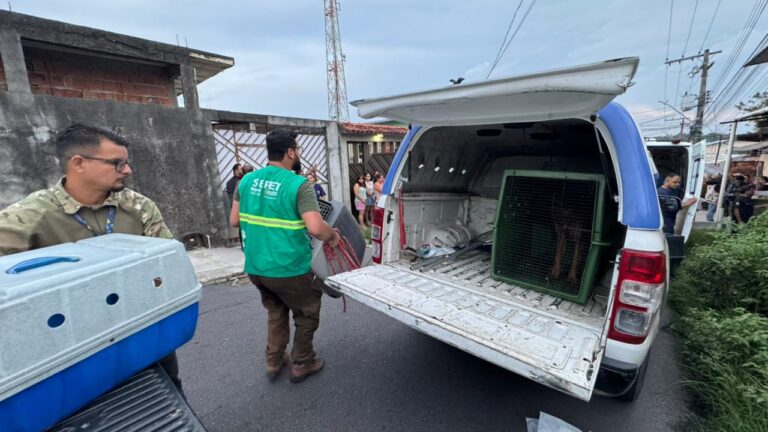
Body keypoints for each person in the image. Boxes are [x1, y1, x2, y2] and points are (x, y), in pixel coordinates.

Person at [0, 123, 183, 390]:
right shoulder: (29, 217)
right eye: (117, 163)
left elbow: (168, 263)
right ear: (78, 163)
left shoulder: (138, 207)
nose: (128, 170)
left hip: (143, 328)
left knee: (167, 392)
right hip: (71, 346)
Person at [229, 130, 339, 383]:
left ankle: (274, 360)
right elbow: (315, 227)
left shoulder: (245, 181)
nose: (299, 154)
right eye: (298, 149)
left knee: (276, 311)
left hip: (257, 268)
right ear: (290, 152)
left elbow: (234, 220)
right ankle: (303, 362)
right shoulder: (298, 184)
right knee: (306, 312)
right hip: (290, 269)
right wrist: (332, 235)